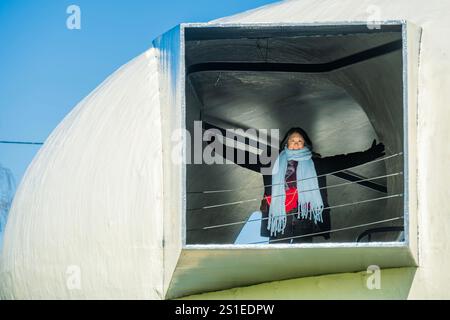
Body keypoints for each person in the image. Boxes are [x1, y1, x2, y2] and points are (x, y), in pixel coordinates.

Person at [211, 127, 385, 244]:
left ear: (305, 145)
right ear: (285, 144)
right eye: (292, 141)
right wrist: (218, 147)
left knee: (302, 256)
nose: (295, 144)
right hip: (279, 218)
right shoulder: (272, 163)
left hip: (304, 216)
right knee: (278, 257)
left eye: (299, 141)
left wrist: (369, 155)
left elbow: (343, 160)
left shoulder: (315, 164)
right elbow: (244, 158)